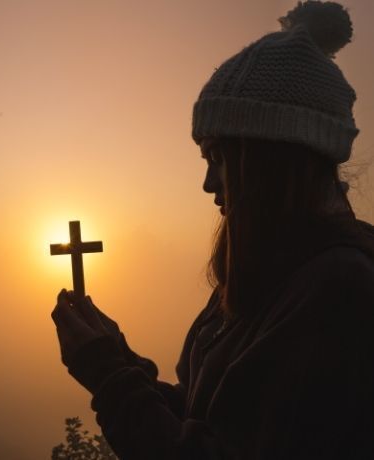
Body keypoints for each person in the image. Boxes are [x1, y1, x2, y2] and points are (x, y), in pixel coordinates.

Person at [51, 2, 374, 459]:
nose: (207, 184)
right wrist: (120, 362)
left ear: (268, 161)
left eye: (218, 159)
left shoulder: (339, 292)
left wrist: (107, 375)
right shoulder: (273, 274)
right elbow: (202, 418)